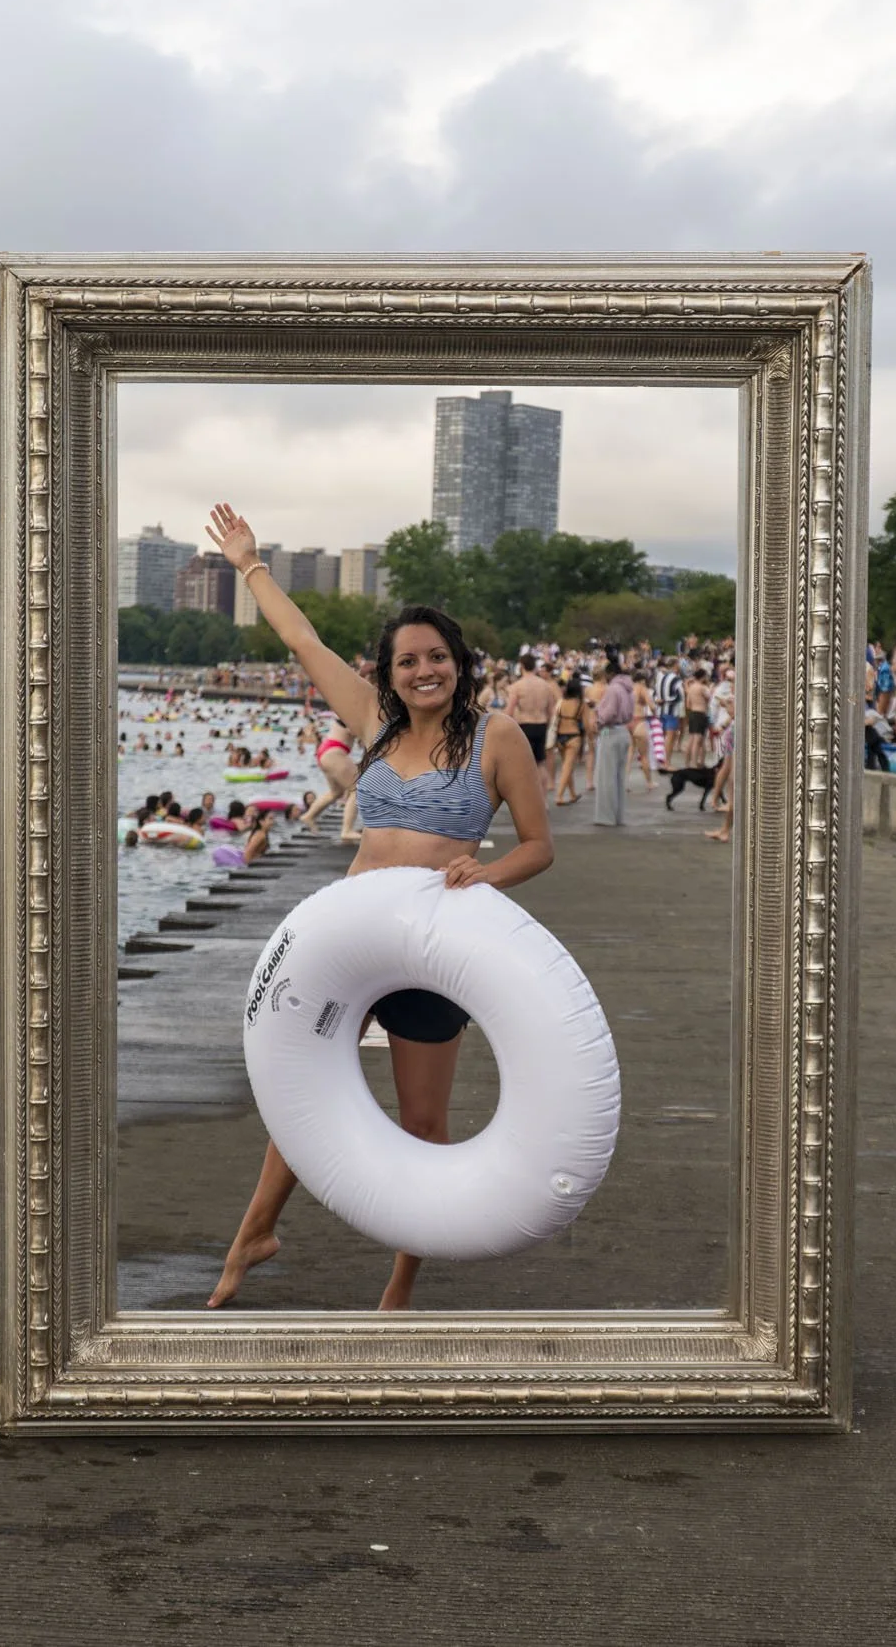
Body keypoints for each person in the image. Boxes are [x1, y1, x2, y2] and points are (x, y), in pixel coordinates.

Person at [200, 502, 553, 1312]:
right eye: (407, 661)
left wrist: (486, 874)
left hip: (432, 948)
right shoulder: (374, 722)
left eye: (437, 657)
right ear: (389, 674)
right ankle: (255, 1232)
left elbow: (539, 846)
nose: (424, 671)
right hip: (349, 946)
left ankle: (400, 1286)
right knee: (302, 1096)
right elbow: (302, 640)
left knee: (422, 1126)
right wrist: (248, 564)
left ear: (459, 663)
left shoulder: (497, 737)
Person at [590, 655, 639, 826]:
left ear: (610, 673)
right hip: (623, 731)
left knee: (606, 777)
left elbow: (610, 712)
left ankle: (606, 817)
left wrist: (599, 721)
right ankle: (618, 816)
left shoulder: (613, 689)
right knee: (619, 777)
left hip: (610, 732)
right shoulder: (628, 689)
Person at [507, 654, 560, 770]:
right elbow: (551, 710)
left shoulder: (517, 686)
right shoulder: (545, 685)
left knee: (524, 764)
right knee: (540, 763)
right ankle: (544, 783)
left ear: (521, 666)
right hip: (541, 724)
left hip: (525, 725)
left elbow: (509, 712)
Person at [551, 670, 590, 805]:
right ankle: (559, 796)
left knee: (567, 766)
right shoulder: (581, 704)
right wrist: (590, 738)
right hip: (573, 736)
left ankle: (572, 794)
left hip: (560, 736)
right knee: (567, 767)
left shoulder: (561, 702)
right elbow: (586, 724)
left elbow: (555, 717)